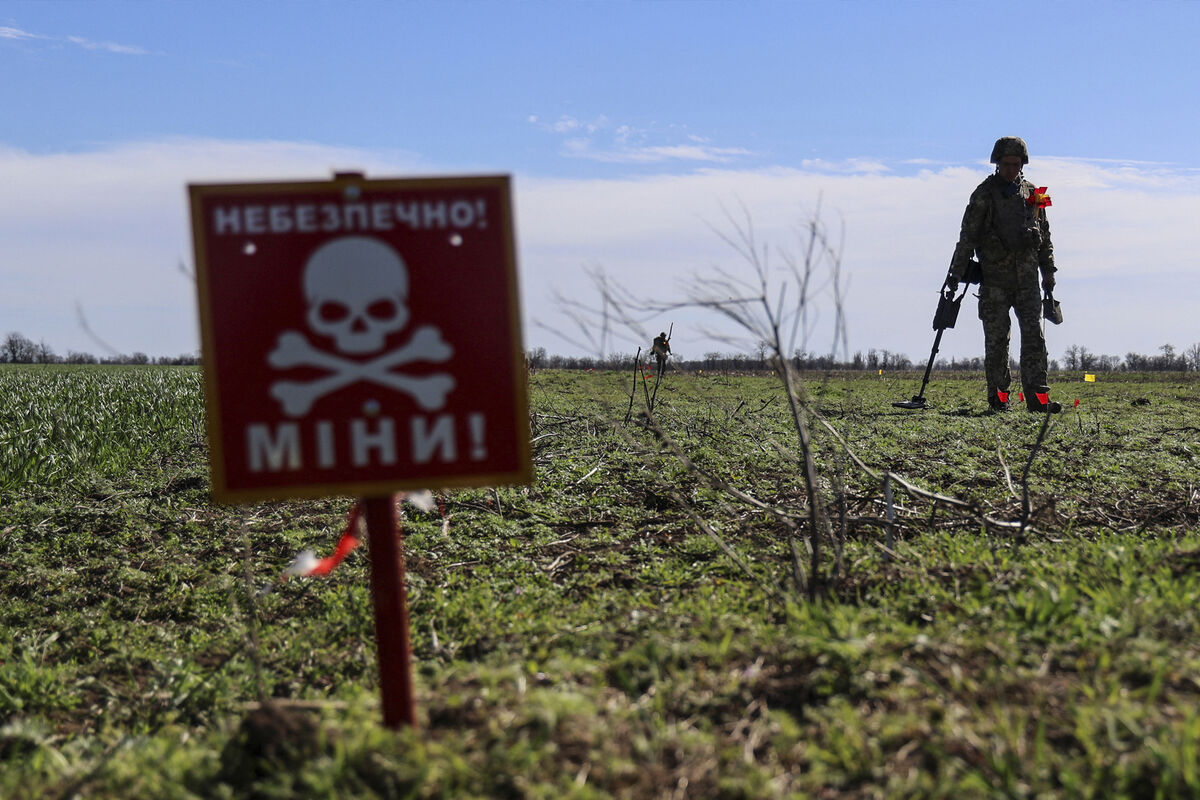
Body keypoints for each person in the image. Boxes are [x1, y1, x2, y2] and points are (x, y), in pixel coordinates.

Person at [948, 136, 1062, 413]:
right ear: (997, 163)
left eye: (1016, 164)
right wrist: (955, 273)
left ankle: (1039, 401)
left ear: (1023, 164)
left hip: (1028, 284)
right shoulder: (983, 194)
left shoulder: (1035, 194)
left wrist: (1048, 271)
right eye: (1006, 164)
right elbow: (967, 238)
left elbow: (1044, 237)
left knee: (1035, 341)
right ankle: (999, 402)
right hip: (994, 284)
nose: (1011, 169)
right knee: (998, 346)